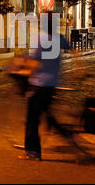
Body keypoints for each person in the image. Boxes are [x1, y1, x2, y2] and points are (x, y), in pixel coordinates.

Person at [19, 12, 76, 161]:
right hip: (53, 83)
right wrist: (80, 70)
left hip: (39, 83)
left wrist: (24, 72)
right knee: (47, 113)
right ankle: (65, 134)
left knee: (32, 119)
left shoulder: (40, 39)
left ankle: (32, 151)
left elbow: (35, 62)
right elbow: (74, 51)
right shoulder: (59, 38)